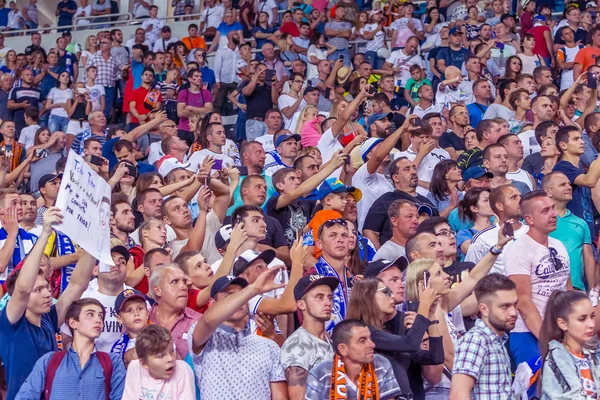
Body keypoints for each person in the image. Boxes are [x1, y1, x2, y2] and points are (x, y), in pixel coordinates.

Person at [0, 208, 96, 400]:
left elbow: (77, 284)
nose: (47, 293)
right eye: (38, 290)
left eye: (46, 287)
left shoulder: (48, 319)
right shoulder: (9, 322)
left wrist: (94, 238)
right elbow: (23, 289)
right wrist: (45, 232)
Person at [504, 191, 571, 396]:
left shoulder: (558, 245)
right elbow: (523, 301)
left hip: (560, 330)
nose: (553, 214)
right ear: (529, 219)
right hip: (528, 332)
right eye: (545, 210)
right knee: (538, 390)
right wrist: (548, 338)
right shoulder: (518, 249)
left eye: (552, 208)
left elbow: (567, 290)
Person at [186, 269, 288, 399]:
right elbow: (208, 319)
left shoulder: (269, 346)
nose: (238, 302)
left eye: (241, 296)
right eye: (229, 296)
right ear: (212, 303)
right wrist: (253, 289)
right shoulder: (206, 337)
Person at [347, 275, 444, 399]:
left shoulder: (387, 332)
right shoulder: (363, 332)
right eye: (386, 292)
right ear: (368, 296)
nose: (392, 296)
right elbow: (410, 343)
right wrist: (423, 305)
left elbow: (435, 358)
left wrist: (431, 317)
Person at [16, 298, 126, 399]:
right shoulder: (49, 361)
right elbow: (25, 396)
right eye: (90, 315)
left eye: (100, 316)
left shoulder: (112, 362)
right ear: (73, 323)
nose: (98, 320)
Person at [449, 274, 518, 399]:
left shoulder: (497, 340)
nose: (513, 312)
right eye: (505, 306)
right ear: (484, 309)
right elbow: (458, 394)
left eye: (515, 305)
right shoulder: (476, 340)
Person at [305, 319, 402, 399]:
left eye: (370, 338)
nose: (372, 345)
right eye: (362, 340)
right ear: (343, 349)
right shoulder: (321, 374)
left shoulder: (380, 364)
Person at [280, 273, 338, 399]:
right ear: (302, 305)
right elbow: (298, 397)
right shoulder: (297, 345)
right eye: (319, 297)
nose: (327, 302)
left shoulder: (328, 340)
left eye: (329, 297)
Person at [539, 290, 600, 399]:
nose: (591, 324)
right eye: (582, 319)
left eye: (592, 316)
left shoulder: (591, 356)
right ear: (563, 324)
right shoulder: (557, 358)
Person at [542, 172, 594, 292]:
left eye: (569, 184)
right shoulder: (536, 220)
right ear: (548, 191)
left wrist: (592, 292)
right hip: (545, 288)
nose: (569, 187)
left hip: (576, 289)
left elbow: (588, 259)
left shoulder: (581, 223)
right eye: (562, 185)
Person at [466, 185, 529, 275]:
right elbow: (471, 274)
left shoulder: (534, 231)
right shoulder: (482, 239)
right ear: (500, 206)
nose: (520, 200)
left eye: (520, 196)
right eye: (514, 197)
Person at [122, 325, 195, 399]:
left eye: (172, 351)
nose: (170, 358)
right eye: (161, 356)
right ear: (144, 363)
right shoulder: (134, 368)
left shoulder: (183, 370)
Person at [553, 126, 599, 241]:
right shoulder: (562, 167)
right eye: (576, 139)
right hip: (571, 235)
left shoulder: (580, 170)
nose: (582, 141)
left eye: (581, 138)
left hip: (587, 233)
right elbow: (589, 181)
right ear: (563, 145)